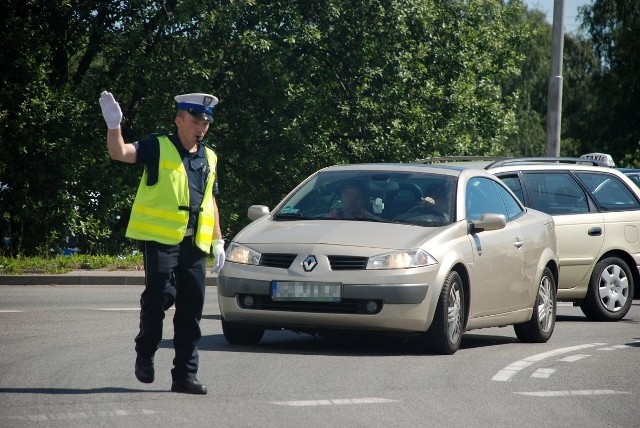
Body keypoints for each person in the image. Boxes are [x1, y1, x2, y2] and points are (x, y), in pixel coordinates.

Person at [99, 91, 226, 395]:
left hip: (195, 244)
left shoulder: (209, 156)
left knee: (191, 310)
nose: (202, 127)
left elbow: (211, 200)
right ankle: (145, 352)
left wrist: (219, 241)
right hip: (160, 239)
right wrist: (114, 125)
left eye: (206, 123)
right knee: (158, 296)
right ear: (179, 120)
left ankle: (184, 375)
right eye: (196, 121)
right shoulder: (158, 146)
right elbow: (120, 153)